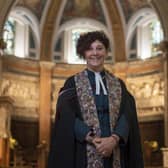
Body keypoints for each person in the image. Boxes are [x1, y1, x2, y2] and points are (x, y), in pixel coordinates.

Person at [48, 31, 144, 168]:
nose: (95, 53)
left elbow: (127, 115)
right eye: (90, 49)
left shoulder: (118, 84)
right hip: (83, 150)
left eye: (99, 48)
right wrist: (93, 139)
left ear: (105, 52)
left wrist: (114, 139)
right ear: (83, 53)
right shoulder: (72, 83)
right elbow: (67, 117)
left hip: (115, 149)